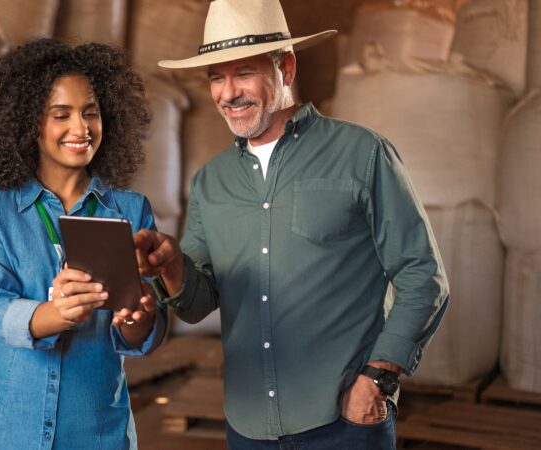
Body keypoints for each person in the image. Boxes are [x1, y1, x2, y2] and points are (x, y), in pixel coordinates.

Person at [135, 1, 449, 448]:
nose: (228, 93)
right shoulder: (210, 181)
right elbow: (198, 303)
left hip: (345, 423)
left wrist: (377, 379)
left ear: (285, 66)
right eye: (216, 78)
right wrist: (171, 266)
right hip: (248, 427)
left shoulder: (362, 153)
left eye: (243, 73)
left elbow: (424, 276)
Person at [0, 38, 167, 450]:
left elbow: (144, 329)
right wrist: (54, 314)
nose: (81, 129)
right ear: (29, 124)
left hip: (96, 430)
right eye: (62, 115)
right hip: (9, 431)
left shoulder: (130, 210)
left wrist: (137, 314)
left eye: (90, 113)